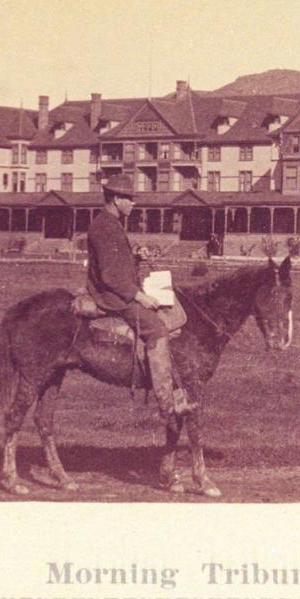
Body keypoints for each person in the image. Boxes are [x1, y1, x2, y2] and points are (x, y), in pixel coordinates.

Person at [86, 174, 196, 418]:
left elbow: (116, 263)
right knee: (156, 328)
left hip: (119, 289)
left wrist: (135, 257)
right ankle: (167, 403)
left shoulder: (111, 223)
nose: (133, 204)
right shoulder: (105, 227)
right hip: (112, 296)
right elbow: (110, 276)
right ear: (116, 199)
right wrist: (139, 296)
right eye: (129, 199)